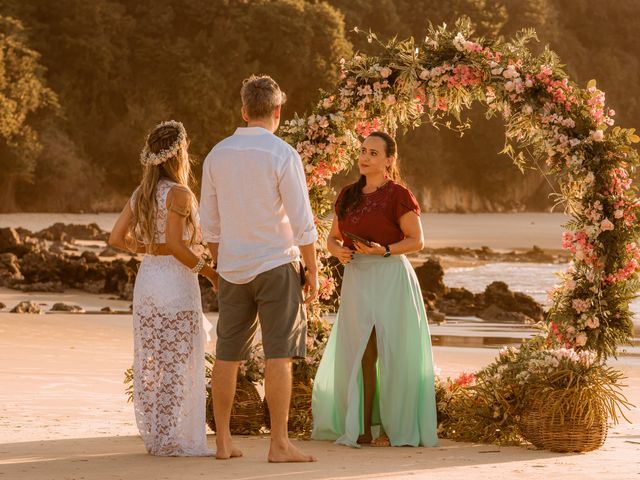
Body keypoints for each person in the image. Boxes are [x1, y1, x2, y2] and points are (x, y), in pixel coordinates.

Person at [199, 74, 319, 462]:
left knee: (226, 355)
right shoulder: (283, 154)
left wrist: (219, 265)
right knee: (278, 355)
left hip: (232, 267)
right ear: (278, 111)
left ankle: (222, 442)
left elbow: (210, 224)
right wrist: (313, 270)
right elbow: (302, 221)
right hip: (276, 263)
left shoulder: (217, 154)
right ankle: (279, 444)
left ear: (244, 110)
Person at [311, 131, 439, 448]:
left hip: (391, 276)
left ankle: (397, 427)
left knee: (393, 352)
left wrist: (382, 250)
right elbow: (333, 237)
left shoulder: (399, 195)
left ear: (389, 160)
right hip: (357, 278)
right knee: (362, 353)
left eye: (373, 153)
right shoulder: (348, 194)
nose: (364, 157)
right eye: (363, 151)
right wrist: (335, 250)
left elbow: (416, 241)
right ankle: (365, 427)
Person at [109, 120, 217, 456]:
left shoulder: (141, 193)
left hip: (148, 283)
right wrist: (211, 273)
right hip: (175, 283)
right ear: (179, 154)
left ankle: (158, 433)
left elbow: (115, 238)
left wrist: (147, 249)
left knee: (155, 359)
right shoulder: (179, 193)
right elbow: (176, 243)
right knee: (177, 360)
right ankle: (170, 436)